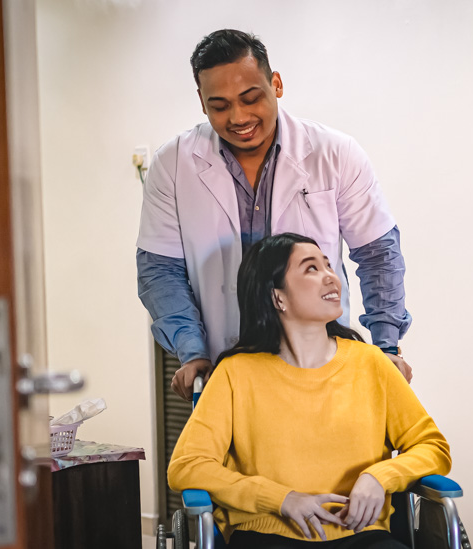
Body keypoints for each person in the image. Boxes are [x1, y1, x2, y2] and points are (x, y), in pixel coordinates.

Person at [137, 29, 414, 401]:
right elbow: (159, 270)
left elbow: (378, 256)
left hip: (323, 365)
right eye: (219, 106)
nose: (238, 117)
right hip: (225, 368)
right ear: (202, 103)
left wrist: (386, 348)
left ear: (276, 84)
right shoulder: (173, 164)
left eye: (251, 98)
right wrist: (192, 351)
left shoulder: (335, 153)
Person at [167, 233, 451, 549]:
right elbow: (187, 465)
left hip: (363, 535)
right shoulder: (236, 373)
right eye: (311, 269)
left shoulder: (370, 363)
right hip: (267, 535)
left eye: (328, 266)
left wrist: (380, 477)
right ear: (278, 297)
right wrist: (280, 499)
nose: (330, 277)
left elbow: (432, 447)